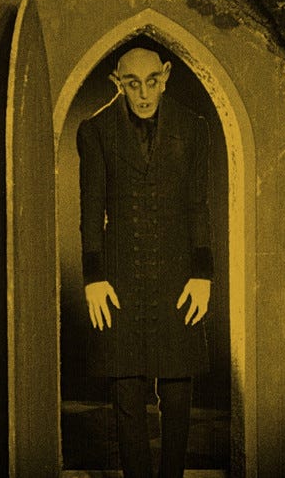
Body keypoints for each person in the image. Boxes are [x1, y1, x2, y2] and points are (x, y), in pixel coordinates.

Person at [76, 47, 213, 477]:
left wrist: (202, 274)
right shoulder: (95, 131)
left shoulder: (193, 128)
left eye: (152, 81)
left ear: (166, 75)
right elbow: (90, 210)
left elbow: (198, 206)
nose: (143, 93)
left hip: (177, 275)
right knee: (126, 389)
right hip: (120, 277)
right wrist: (94, 277)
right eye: (132, 83)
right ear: (116, 82)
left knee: (177, 388)